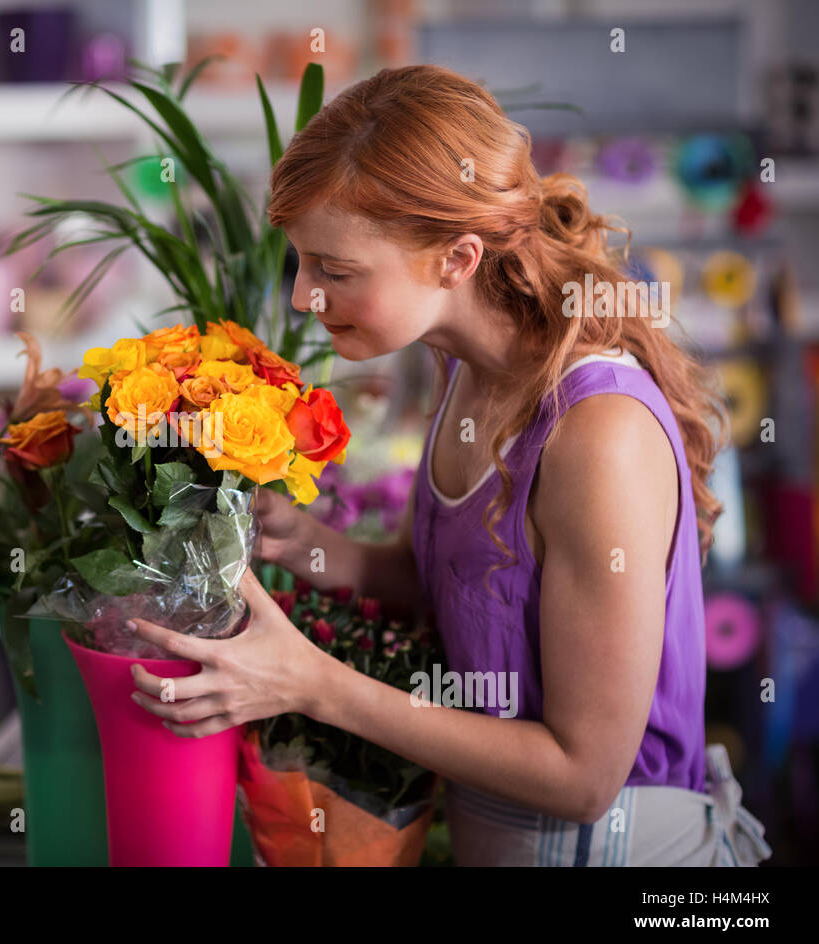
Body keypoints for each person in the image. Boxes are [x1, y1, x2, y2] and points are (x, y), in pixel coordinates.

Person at [126, 65, 771, 866]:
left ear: (457, 259)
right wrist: (312, 545)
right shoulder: (463, 368)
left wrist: (315, 682)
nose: (302, 298)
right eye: (302, 263)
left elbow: (584, 777)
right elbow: (458, 585)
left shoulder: (598, 432)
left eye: (335, 270)